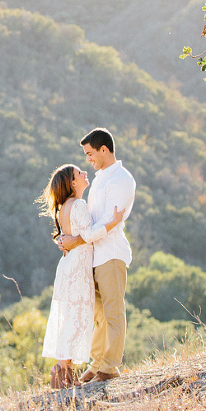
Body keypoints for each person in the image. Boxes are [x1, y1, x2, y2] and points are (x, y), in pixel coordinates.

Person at [58, 127, 136, 383]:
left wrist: (76, 240)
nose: (88, 159)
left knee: (113, 311)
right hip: (94, 256)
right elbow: (92, 223)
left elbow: (107, 223)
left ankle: (110, 366)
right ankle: (97, 363)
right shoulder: (101, 178)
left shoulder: (121, 180)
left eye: (90, 153)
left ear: (104, 150)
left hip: (111, 254)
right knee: (100, 314)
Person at [37, 163, 125, 387]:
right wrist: (112, 223)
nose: (84, 173)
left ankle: (63, 370)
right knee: (76, 317)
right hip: (78, 267)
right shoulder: (78, 205)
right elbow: (88, 235)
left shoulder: (63, 206)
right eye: (79, 173)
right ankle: (64, 371)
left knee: (70, 317)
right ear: (73, 183)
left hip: (68, 265)